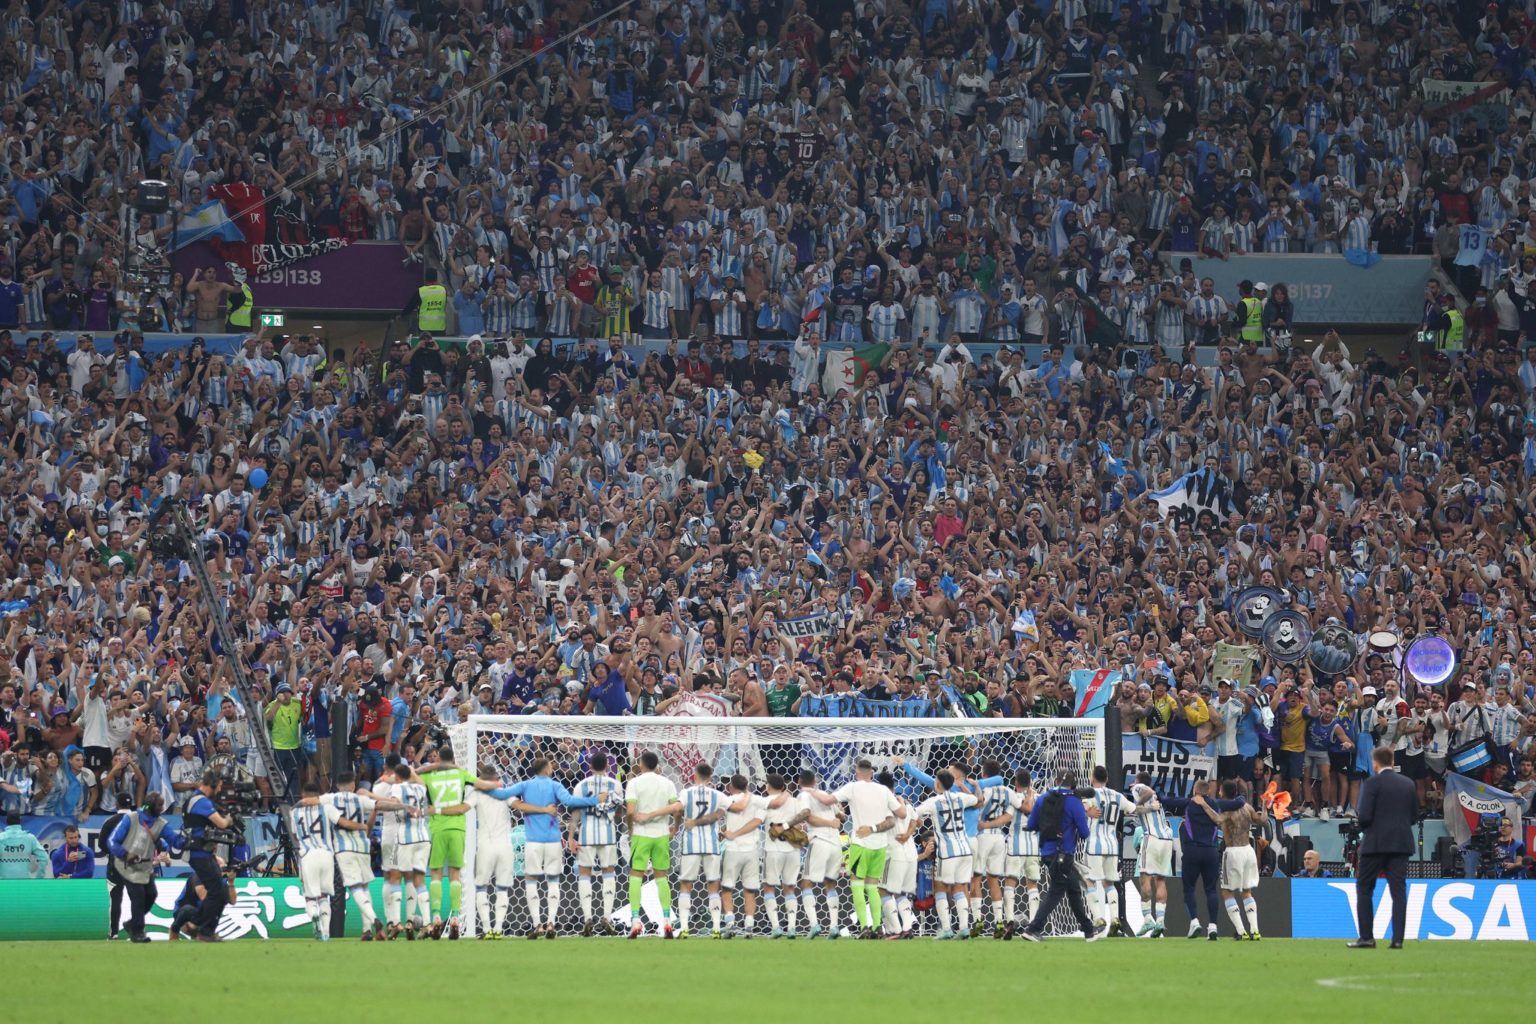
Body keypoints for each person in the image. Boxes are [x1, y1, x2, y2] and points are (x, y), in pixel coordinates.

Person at [497, 757, 601, 938]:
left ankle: (537, 924)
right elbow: (570, 801)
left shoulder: (524, 785)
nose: (553, 767)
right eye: (551, 765)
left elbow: (503, 793)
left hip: (533, 841)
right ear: (545, 769)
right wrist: (594, 800)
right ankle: (551, 922)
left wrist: (495, 787)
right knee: (553, 881)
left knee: (531, 880)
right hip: (553, 841)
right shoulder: (555, 786)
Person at [812, 758, 907, 940]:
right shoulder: (884, 790)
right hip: (880, 846)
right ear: (871, 772)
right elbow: (900, 814)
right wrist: (901, 802)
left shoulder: (852, 787)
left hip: (860, 844)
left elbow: (826, 800)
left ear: (856, 771)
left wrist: (810, 790)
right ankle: (878, 927)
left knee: (856, 884)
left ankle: (865, 927)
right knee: (873, 886)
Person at [418, 745, 499, 937]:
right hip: (457, 828)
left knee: (436, 873)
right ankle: (455, 915)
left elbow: (411, 775)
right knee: (455, 873)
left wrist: (428, 767)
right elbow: (485, 785)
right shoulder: (461, 774)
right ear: (454, 759)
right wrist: (498, 785)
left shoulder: (428, 777)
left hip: (437, 828)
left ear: (438, 759)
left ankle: (436, 915)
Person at [1348, 746, 1418, 949]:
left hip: (1376, 844)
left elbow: (1365, 816)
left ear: (1375, 763)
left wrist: (1365, 825)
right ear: (1392, 760)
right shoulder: (1408, 784)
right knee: (1398, 892)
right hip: (1401, 844)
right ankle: (1397, 940)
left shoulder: (1372, 783)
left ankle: (1367, 938)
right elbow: (1414, 816)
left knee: (1365, 888)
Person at [1016, 769, 1097, 943]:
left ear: (1056, 780)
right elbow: (1084, 833)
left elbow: (1031, 824)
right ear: (1073, 783)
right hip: (1064, 853)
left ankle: (1089, 930)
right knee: (1056, 891)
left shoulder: (1043, 798)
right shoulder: (1074, 802)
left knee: (1073, 888)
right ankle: (1033, 929)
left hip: (1045, 851)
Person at [105, 794, 183, 941]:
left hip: (145, 867)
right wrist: (124, 854)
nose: (162, 808)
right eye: (159, 805)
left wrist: (187, 838)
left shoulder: (161, 824)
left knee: (152, 894)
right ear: (149, 805)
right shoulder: (131, 818)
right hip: (126, 864)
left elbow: (175, 842)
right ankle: (138, 931)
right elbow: (112, 841)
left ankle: (132, 923)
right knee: (139, 894)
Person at [913, 769, 979, 940]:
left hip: (948, 853)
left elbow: (915, 813)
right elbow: (975, 799)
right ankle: (964, 928)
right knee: (959, 888)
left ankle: (947, 929)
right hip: (965, 850)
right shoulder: (961, 798)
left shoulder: (934, 802)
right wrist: (961, 786)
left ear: (937, 784)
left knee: (940, 887)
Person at [1192, 780, 1262, 940]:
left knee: (1227, 891)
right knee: (1247, 891)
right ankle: (1255, 930)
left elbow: (1217, 820)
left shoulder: (1228, 810)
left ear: (1223, 792)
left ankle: (1241, 931)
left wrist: (1203, 805)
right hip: (1249, 850)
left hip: (1233, 851)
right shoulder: (1247, 807)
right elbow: (1261, 820)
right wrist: (1265, 811)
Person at [624, 749, 680, 938]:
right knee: (661, 876)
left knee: (636, 876)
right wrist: (675, 826)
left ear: (640, 764)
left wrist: (631, 829)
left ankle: (635, 920)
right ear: (657, 765)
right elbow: (677, 809)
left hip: (642, 834)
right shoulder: (668, 783)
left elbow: (631, 811)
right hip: (661, 834)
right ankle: (666, 920)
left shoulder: (634, 783)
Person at [374, 762, 433, 938]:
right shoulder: (421, 789)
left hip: (403, 838)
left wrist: (397, 805)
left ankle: (395, 921)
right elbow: (420, 781)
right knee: (418, 880)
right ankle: (427, 923)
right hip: (423, 837)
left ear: (396, 776)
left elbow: (388, 805)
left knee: (394, 876)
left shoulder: (396, 788)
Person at [571, 751, 625, 936]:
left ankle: (587, 917)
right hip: (608, 835)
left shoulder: (581, 786)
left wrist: (571, 837)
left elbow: (576, 813)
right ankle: (607, 916)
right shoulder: (616, 785)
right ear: (608, 766)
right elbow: (618, 812)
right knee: (608, 872)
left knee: (585, 873)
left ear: (590, 766)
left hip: (586, 835)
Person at [180, 770, 239, 941]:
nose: (219, 790)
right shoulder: (201, 801)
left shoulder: (196, 800)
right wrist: (229, 818)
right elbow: (221, 824)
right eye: (219, 786)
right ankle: (198, 925)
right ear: (211, 785)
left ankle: (203, 928)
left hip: (202, 852)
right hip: (199, 853)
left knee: (219, 892)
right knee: (216, 891)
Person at [675, 763, 730, 939]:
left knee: (685, 885)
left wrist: (676, 824)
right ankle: (715, 928)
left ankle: (684, 928)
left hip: (691, 845)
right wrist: (720, 814)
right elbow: (734, 808)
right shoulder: (718, 795)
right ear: (710, 776)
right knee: (713, 886)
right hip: (711, 845)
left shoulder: (686, 793)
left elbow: (677, 809)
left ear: (694, 775)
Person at [1084, 765, 1137, 936]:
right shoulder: (1117, 795)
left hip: (1094, 845)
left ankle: (1099, 918)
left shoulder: (1088, 795)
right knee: (1109, 883)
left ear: (1092, 778)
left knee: (1089, 882)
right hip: (1112, 846)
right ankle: (1115, 919)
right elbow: (1133, 809)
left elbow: (1078, 810)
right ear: (1106, 779)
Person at [795, 769, 847, 939]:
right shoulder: (824, 794)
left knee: (806, 882)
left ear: (799, 781)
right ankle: (833, 927)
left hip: (819, 841)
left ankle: (814, 925)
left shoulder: (803, 795)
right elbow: (842, 816)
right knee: (830, 884)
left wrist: (829, 823)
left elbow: (807, 815)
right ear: (815, 781)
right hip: (835, 844)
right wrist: (836, 816)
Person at [718, 773, 768, 938]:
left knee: (726, 888)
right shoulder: (757, 800)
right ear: (747, 786)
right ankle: (749, 925)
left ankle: (730, 924)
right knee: (749, 890)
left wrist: (730, 833)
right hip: (752, 850)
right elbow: (757, 821)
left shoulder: (727, 800)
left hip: (733, 849)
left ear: (731, 786)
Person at [291, 780, 341, 941]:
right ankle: (325, 932)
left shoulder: (294, 813)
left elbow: (294, 833)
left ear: (303, 796)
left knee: (310, 898)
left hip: (307, 855)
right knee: (324, 896)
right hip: (326, 854)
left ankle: (314, 915)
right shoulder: (327, 808)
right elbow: (340, 823)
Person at [1131, 775, 1175, 936]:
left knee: (1144, 876)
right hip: (1166, 838)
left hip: (1152, 838)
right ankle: (1161, 922)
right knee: (1161, 880)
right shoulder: (1155, 797)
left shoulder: (1139, 788)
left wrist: (1137, 806)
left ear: (1138, 781)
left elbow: (1147, 792)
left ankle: (1148, 918)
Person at [878, 773, 920, 938]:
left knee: (883, 890)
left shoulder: (884, 805)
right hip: (911, 854)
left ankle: (895, 930)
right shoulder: (905, 804)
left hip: (893, 853)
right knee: (902, 893)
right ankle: (907, 928)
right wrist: (908, 833)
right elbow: (918, 821)